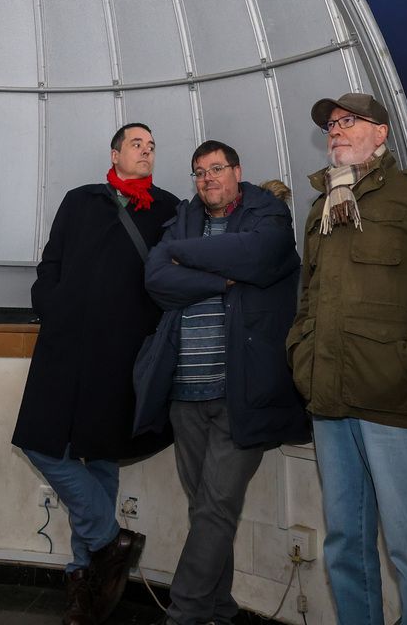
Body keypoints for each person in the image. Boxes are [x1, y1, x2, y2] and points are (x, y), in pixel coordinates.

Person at [286, 93, 407, 625]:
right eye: (331, 124)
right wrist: (301, 351)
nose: (335, 130)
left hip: (393, 399)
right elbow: (309, 294)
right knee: (344, 542)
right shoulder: (322, 205)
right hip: (330, 396)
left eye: (348, 121)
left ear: (381, 133)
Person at [12, 123, 180, 625]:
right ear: (114, 152)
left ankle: (87, 585)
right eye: (137, 144)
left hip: (122, 354)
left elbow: (171, 274)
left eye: (153, 146)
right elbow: (52, 262)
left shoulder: (169, 208)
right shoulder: (81, 198)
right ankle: (111, 542)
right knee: (40, 441)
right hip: (65, 344)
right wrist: (52, 305)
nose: (147, 151)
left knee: (102, 458)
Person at [137, 141, 308, 625]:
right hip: (184, 392)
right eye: (198, 172)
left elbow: (254, 257)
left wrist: (179, 256)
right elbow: (155, 280)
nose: (207, 178)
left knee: (215, 508)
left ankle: (185, 613)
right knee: (207, 509)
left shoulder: (266, 215)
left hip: (241, 392)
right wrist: (220, 278)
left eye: (216, 169)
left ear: (237, 171)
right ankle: (220, 609)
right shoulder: (182, 220)